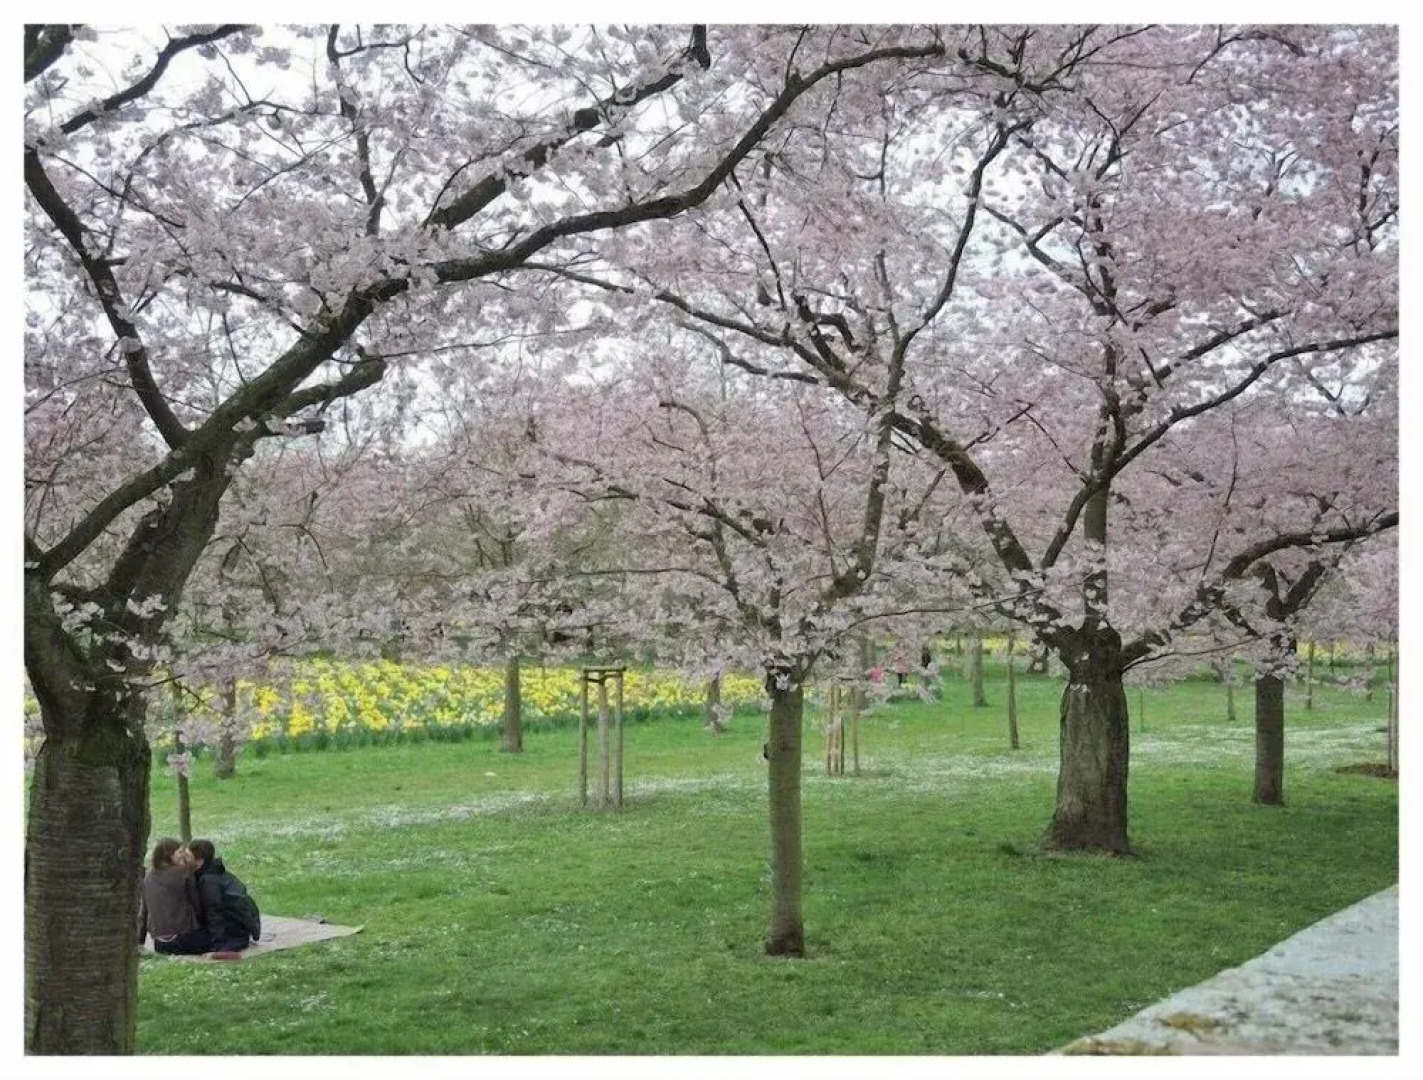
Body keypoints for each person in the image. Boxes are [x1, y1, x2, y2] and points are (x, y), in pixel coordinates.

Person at [187, 838, 262, 958]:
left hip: (232, 933)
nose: (185, 860)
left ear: (199, 860)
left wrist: (217, 946)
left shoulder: (208, 881)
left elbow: (214, 911)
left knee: (173, 944)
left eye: (188, 856)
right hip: (240, 929)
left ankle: (224, 951)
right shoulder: (215, 873)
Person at [138, 837, 211, 955]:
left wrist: (140, 941)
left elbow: (145, 912)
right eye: (180, 852)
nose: (183, 855)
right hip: (184, 938)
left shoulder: (147, 877)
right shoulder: (184, 872)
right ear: (169, 855)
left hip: (160, 944)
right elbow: (197, 906)